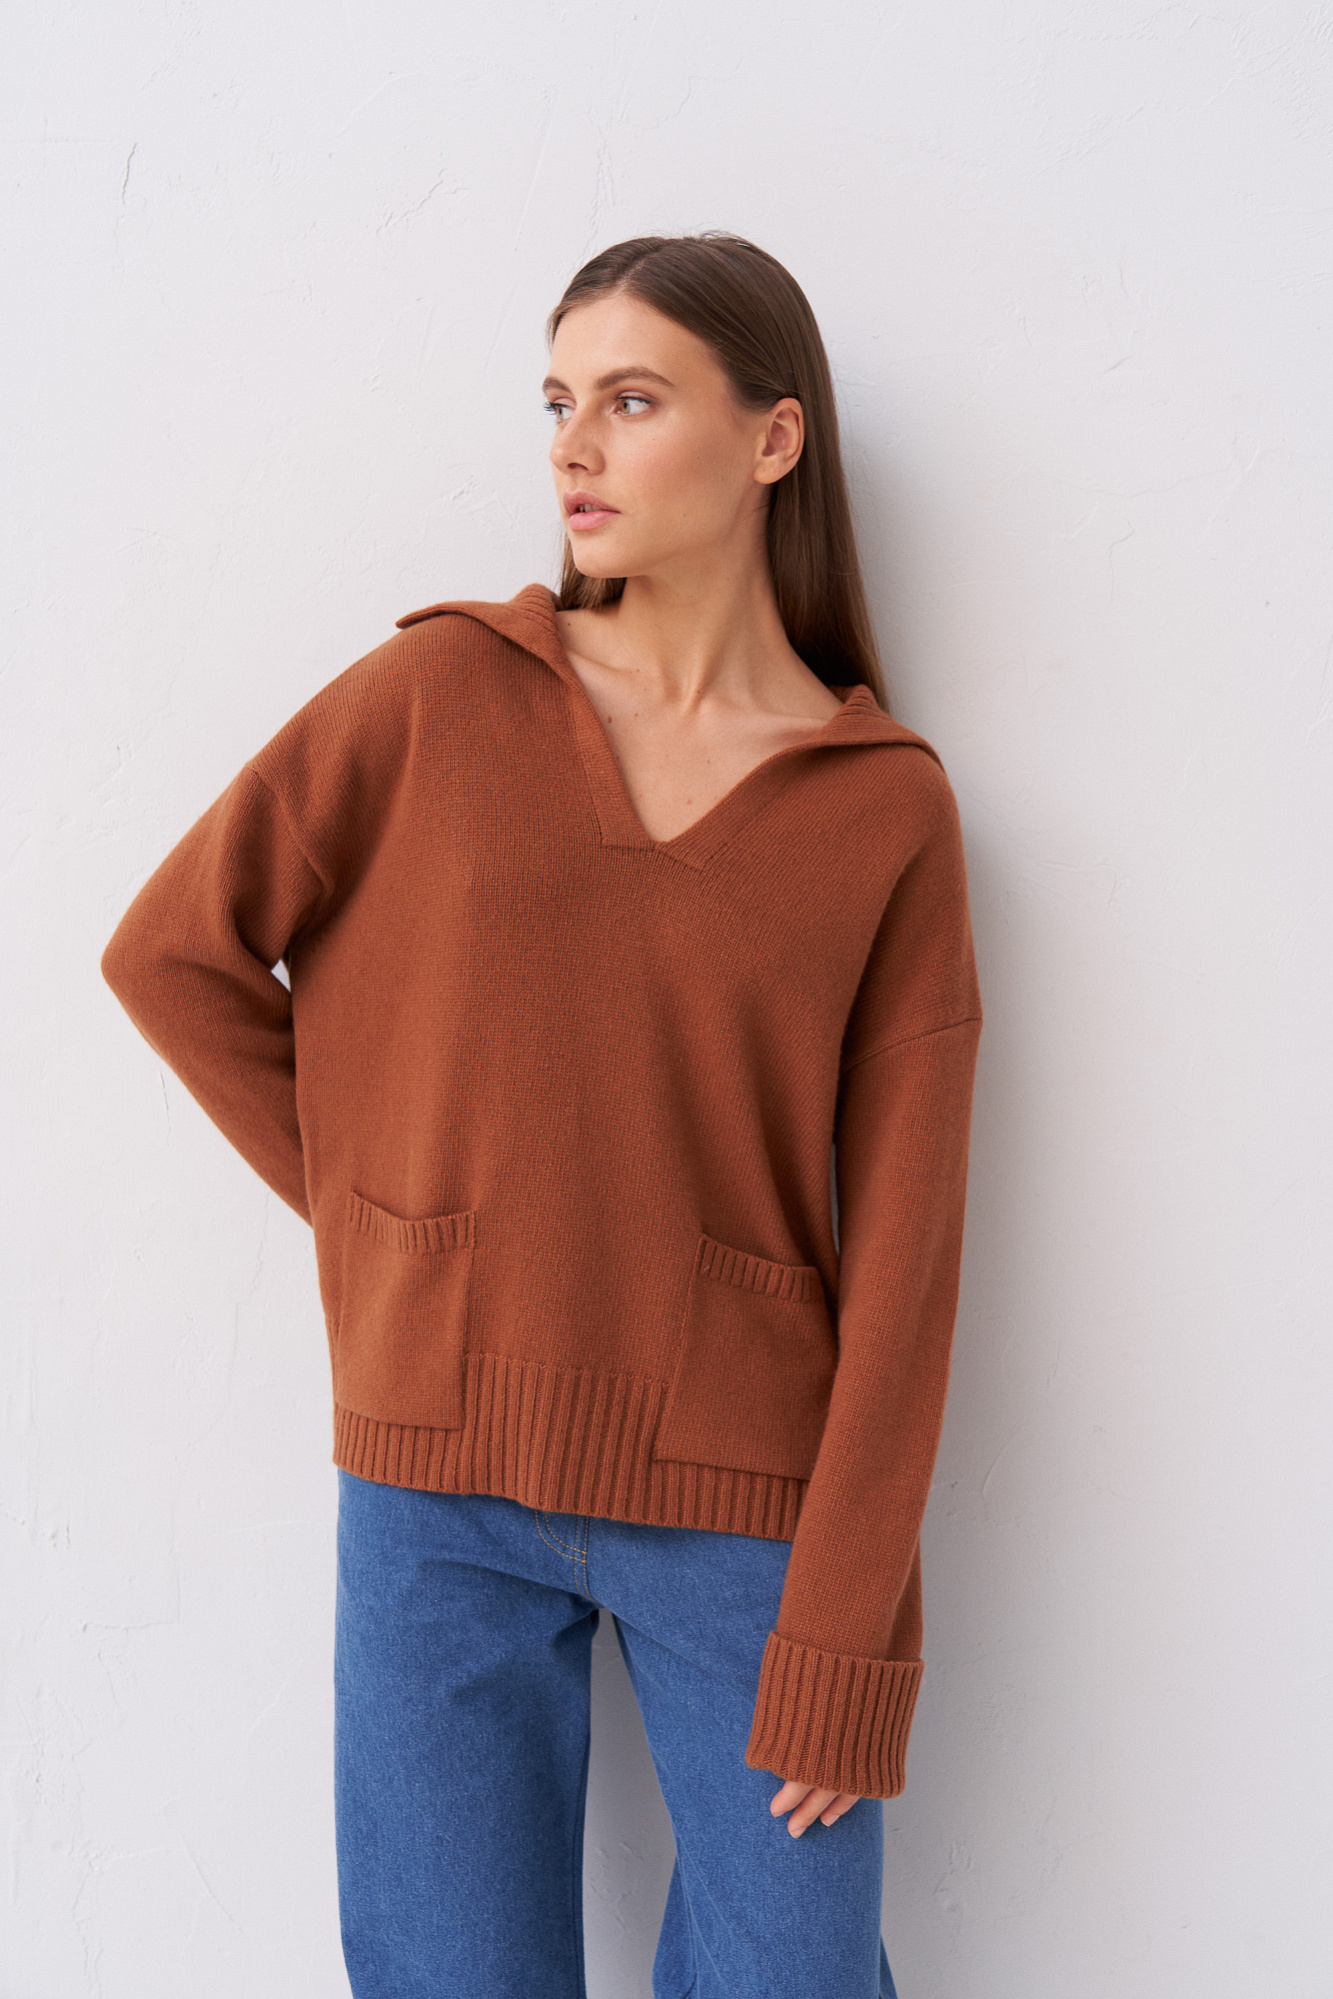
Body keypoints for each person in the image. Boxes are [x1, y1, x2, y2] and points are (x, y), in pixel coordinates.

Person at [100, 231, 984, 1999]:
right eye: (559, 401)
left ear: (772, 439)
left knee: (799, 1974)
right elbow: (175, 956)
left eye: (631, 400)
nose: (573, 444)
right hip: (431, 1487)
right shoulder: (437, 696)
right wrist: (398, 1238)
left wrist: (848, 1626)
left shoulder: (880, 808)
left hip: (744, 1499)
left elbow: (907, 1260)